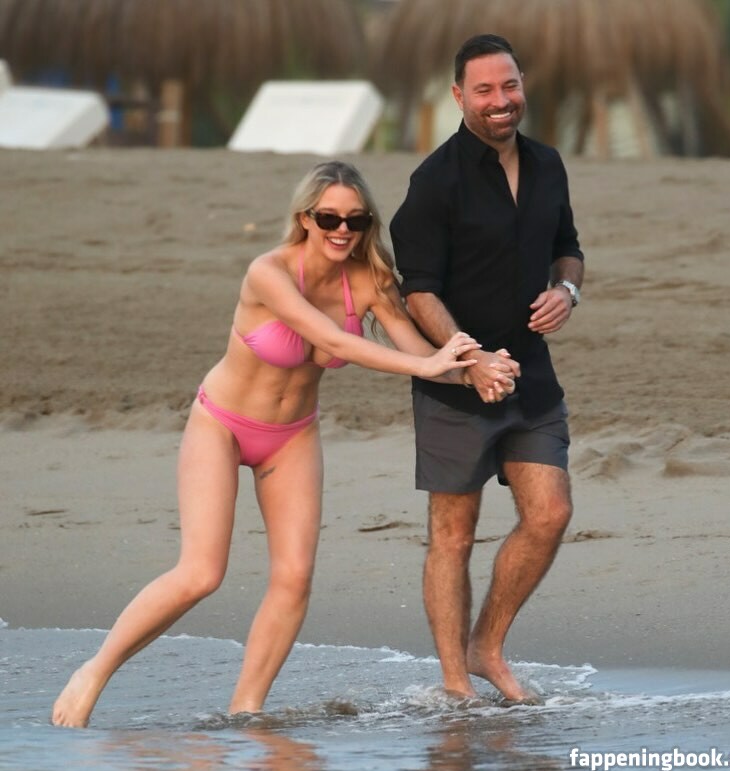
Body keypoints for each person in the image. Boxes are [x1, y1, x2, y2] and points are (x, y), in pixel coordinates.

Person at [51, 160, 503, 728]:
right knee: (201, 573)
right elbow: (335, 340)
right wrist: (430, 363)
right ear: (305, 218)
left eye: (357, 220)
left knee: (293, 577)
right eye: (329, 218)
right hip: (222, 423)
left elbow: (419, 352)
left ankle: (246, 711)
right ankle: (93, 672)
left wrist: (477, 370)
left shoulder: (368, 279)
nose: (343, 230)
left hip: (291, 436)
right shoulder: (268, 272)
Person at [390, 34, 585, 703]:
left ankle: (487, 646)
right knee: (453, 534)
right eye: (484, 90)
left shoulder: (548, 164)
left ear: (522, 86)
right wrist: (470, 360)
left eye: (509, 86)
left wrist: (567, 291)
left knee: (550, 513)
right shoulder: (434, 182)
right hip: (456, 384)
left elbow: (568, 246)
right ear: (458, 96)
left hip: (532, 377)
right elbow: (418, 292)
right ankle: (456, 685)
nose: (500, 101)